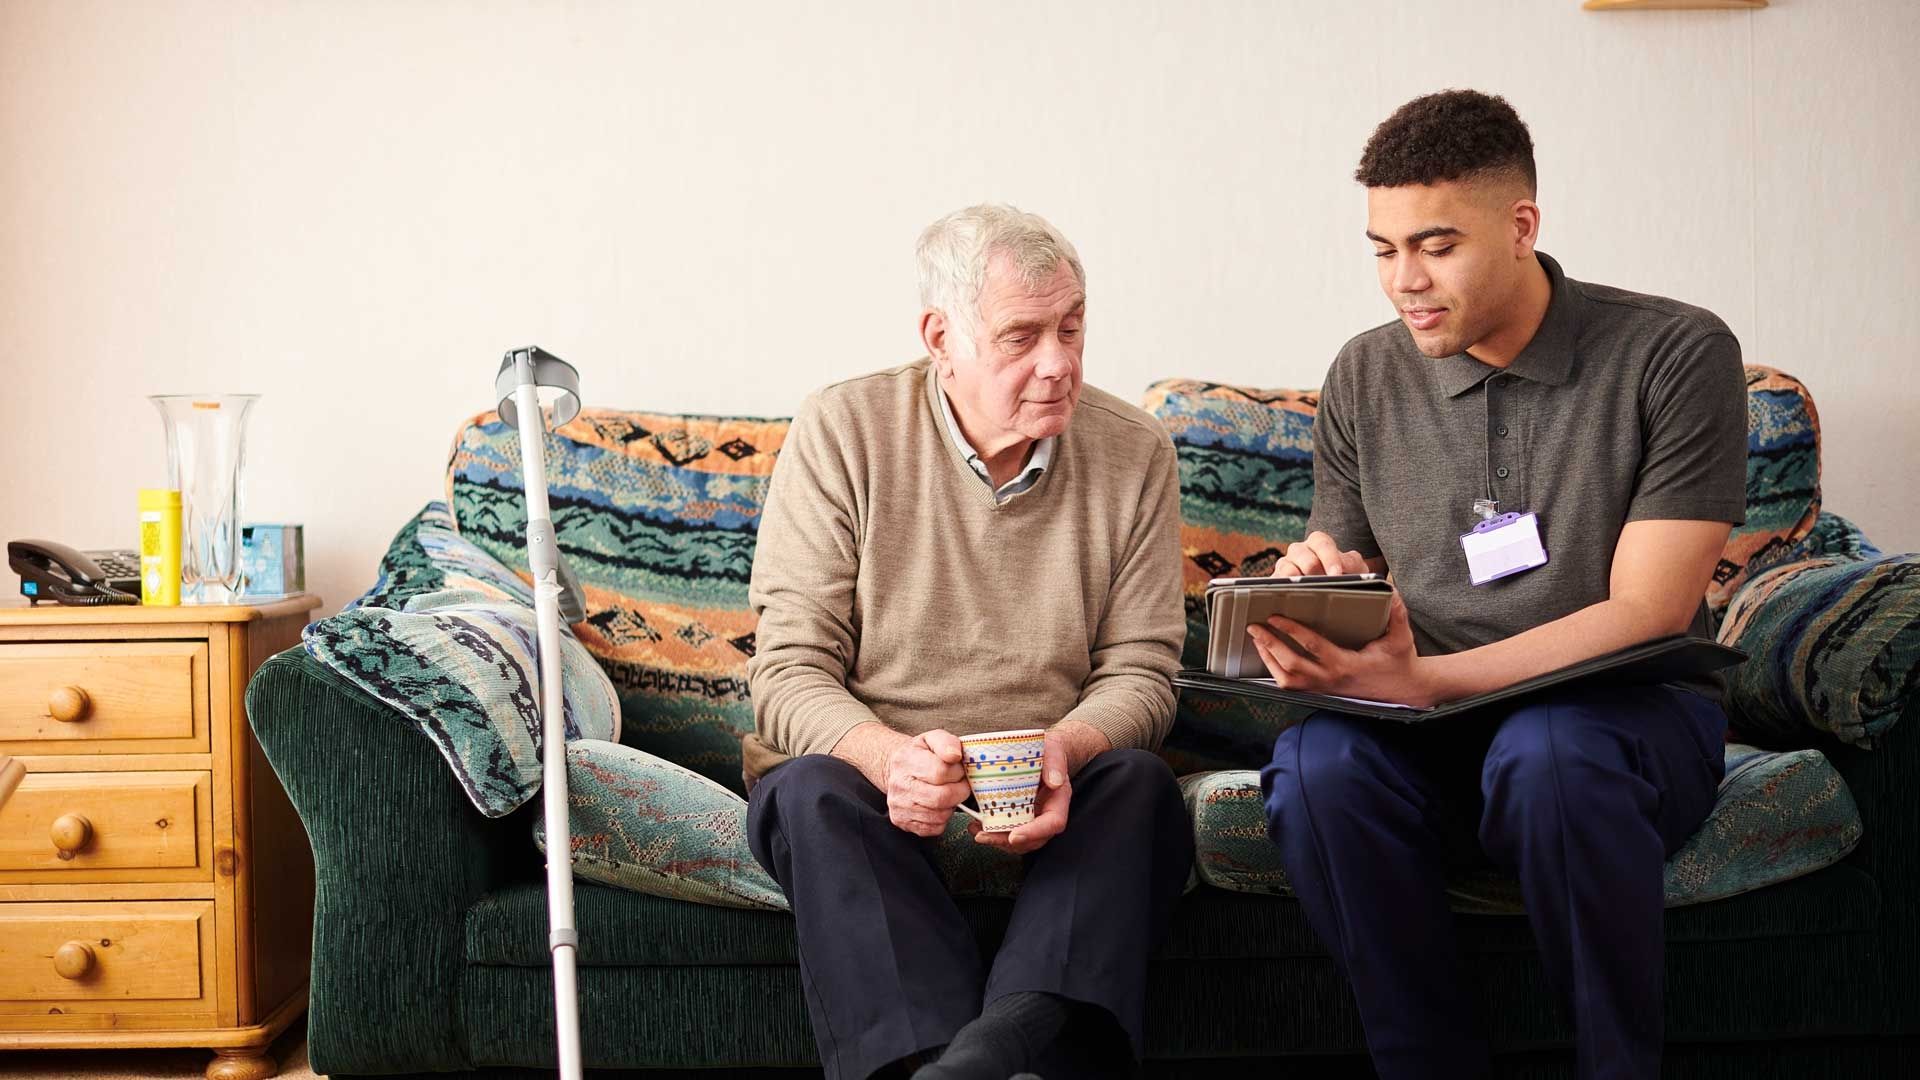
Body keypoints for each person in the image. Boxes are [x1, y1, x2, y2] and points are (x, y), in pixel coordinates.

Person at [1253, 90, 1748, 1080]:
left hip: (1621, 720)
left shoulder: (1677, 352)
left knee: (1550, 751)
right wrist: (1312, 582)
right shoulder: (1364, 375)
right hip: (1426, 727)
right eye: (1384, 249)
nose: (1405, 281)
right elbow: (1344, 557)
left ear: (1522, 226)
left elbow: (1649, 612)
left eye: (1436, 246)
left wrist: (1431, 681)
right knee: (1316, 769)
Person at [742, 204, 1194, 1080]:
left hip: (1057, 787)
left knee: (1140, 785)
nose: (1058, 362)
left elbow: (1144, 671)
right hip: (873, 787)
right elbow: (789, 670)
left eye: (1071, 328)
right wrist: (890, 761)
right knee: (808, 792)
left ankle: (978, 1060)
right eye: (1022, 337)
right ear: (940, 338)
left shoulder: (1134, 451)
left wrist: (1065, 749)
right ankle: (987, 1057)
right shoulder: (843, 429)